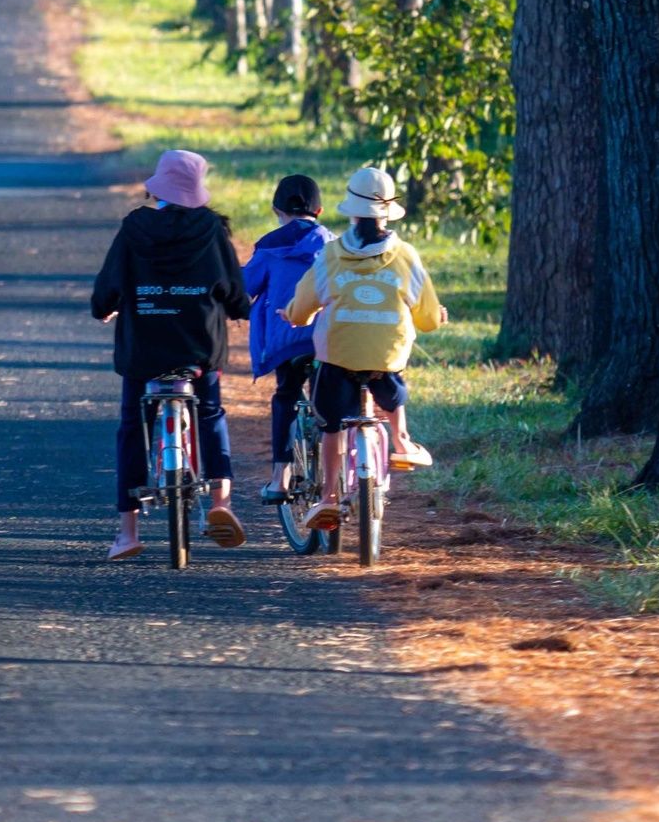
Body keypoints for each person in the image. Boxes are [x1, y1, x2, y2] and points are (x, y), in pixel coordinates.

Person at [90, 147, 249, 562]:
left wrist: (105, 307)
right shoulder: (213, 231)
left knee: (131, 426)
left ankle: (128, 532)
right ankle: (220, 501)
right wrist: (236, 310)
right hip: (198, 347)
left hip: (144, 350)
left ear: (159, 187)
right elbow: (234, 292)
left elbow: (107, 288)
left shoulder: (133, 228)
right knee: (211, 413)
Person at [285, 162, 446, 532]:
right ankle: (401, 440)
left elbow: (302, 308)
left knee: (329, 425)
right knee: (392, 382)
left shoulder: (329, 255)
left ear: (351, 212)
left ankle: (327, 497)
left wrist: (292, 314)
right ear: (387, 213)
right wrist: (437, 317)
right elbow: (427, 318)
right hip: (386, 360)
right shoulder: (406, 257)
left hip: (338, 357)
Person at [243, 173, 327, 501]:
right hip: (326, 338)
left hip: (287, 340)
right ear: (319, 211)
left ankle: (281, 477)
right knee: (327, 403)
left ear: (276, 209)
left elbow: (244, 287)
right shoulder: (333, 245)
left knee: (286, 395)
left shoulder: (269, 248)